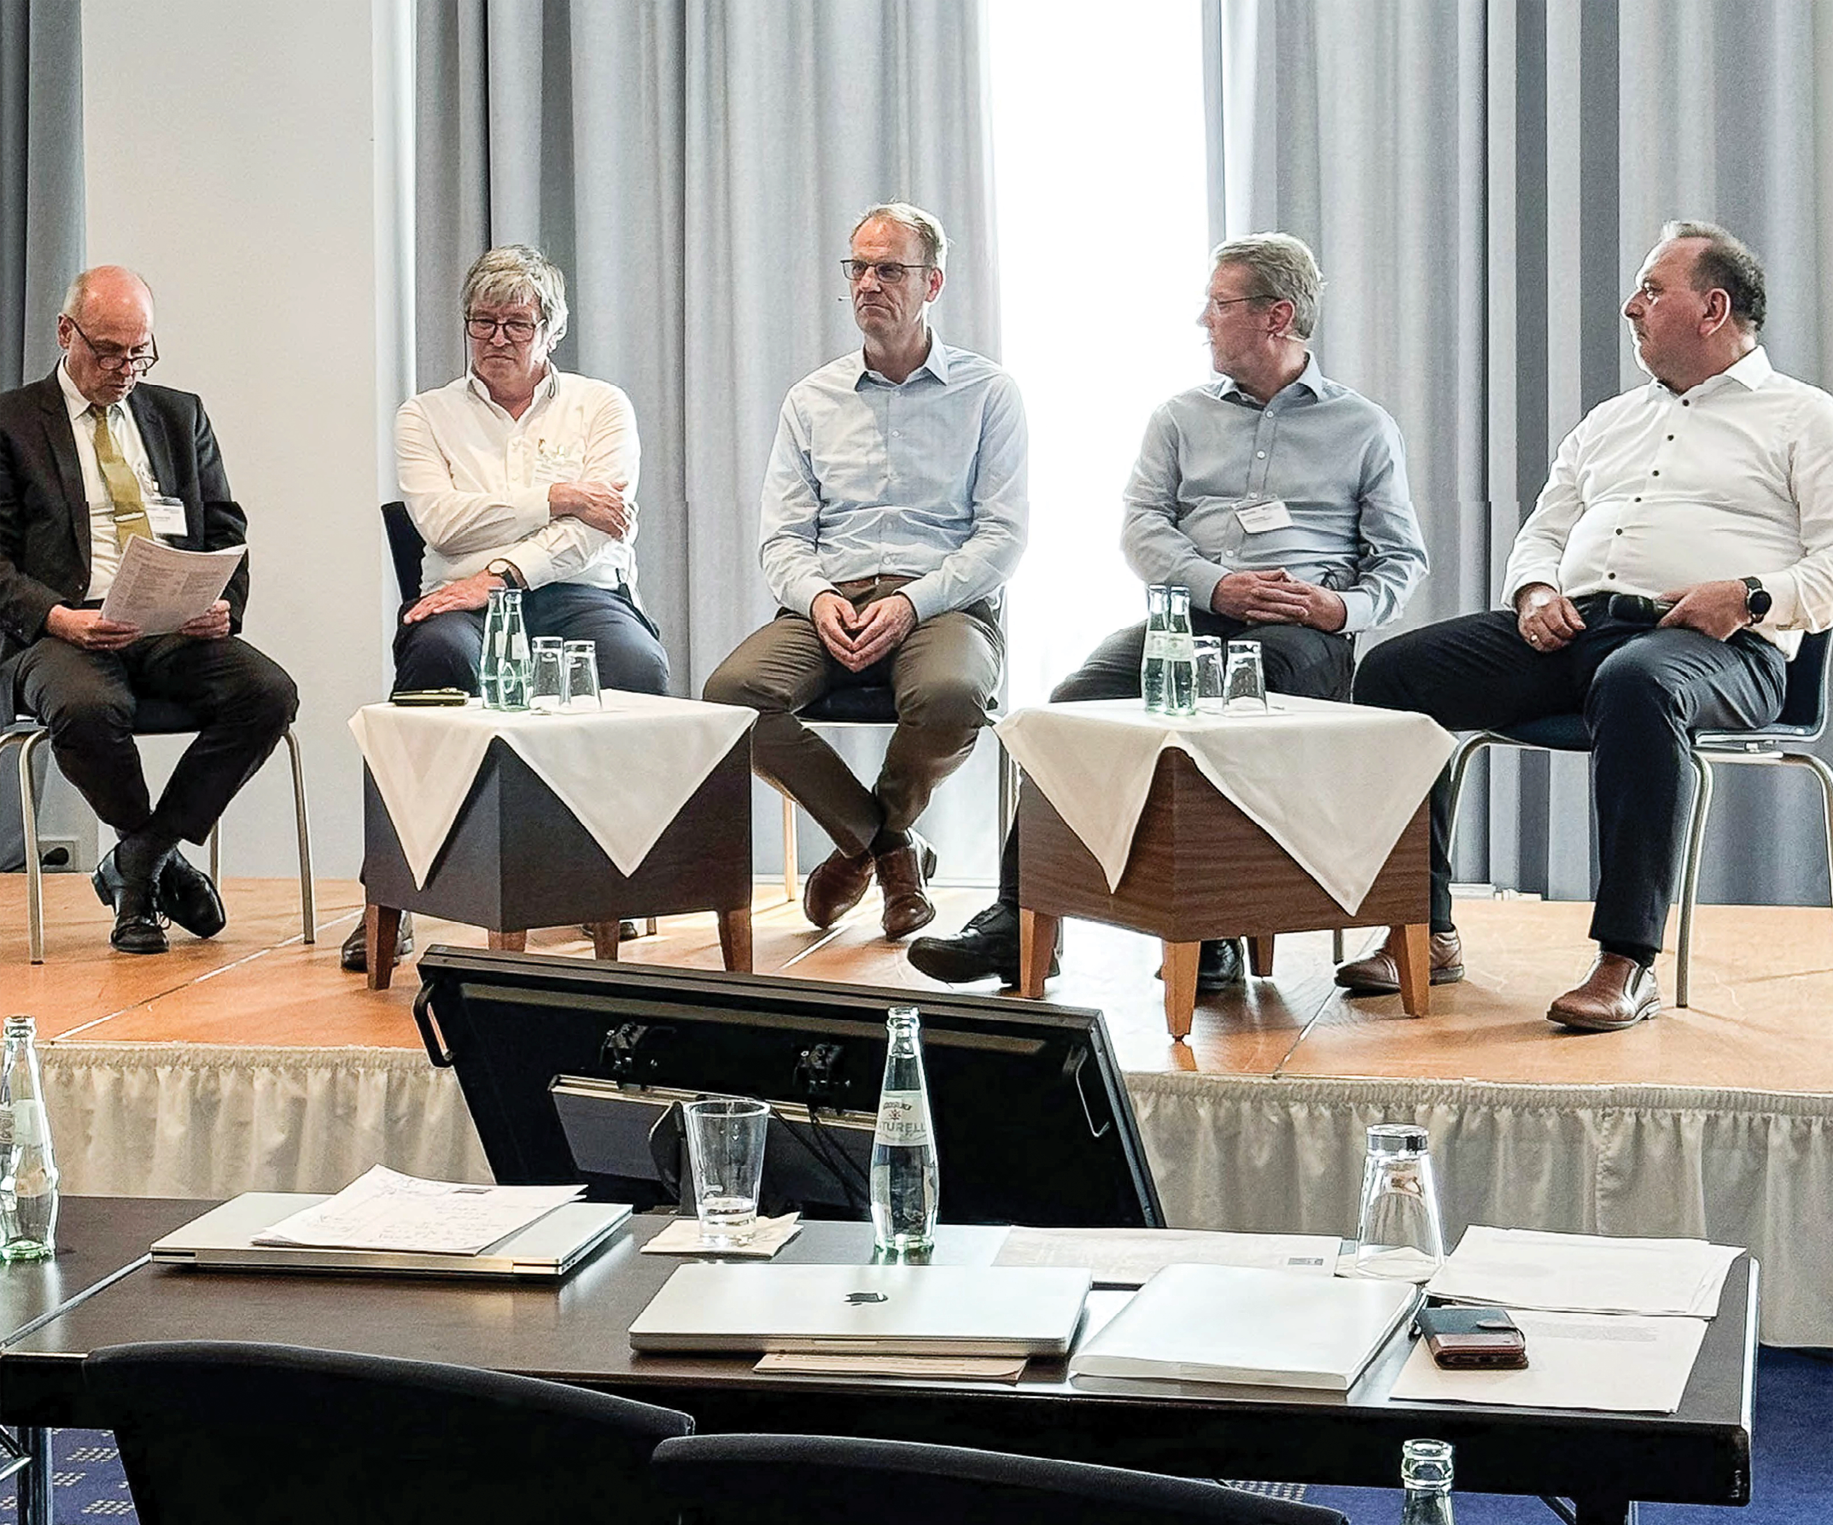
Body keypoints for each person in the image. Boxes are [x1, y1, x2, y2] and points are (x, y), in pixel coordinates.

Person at [1346, 221, 1833, 1032]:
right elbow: (1541, 531)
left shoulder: (1803, 419)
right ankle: (1421, 929)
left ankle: (1624, 961)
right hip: (1575, 629)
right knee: (1394, 674)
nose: (1629, 307)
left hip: (1720, 647)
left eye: (1651, 290)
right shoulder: (1609, 421)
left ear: (1712, 308)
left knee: (1638, 680)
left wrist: (1747, 595)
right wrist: (1533, 590)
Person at [908, 232, 1426, 988]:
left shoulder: (1362, 426)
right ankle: (1018, 917)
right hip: (1191, 618)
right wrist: (1216, 586)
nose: (1203, 321)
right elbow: (1141, 528)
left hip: (1297, 634)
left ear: (1276, 316)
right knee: (1071, 708)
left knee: (1231, 706)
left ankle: (1209, 925)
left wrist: (1334, 606)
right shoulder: (1180, 417)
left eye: (1219, 305)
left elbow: (1400, 561)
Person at [704, 202, 1027, 941]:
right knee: (730, 699)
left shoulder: (987, 393)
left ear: (932, 283)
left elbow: (1002, 536)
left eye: (889, 269)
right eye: (858, 267)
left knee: (951, 694)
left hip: (942, 604)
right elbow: (781, 537)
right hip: (828, 603)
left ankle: (858, 852)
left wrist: (911, 604)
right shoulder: (810, 398)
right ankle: (887, 847)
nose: (868, 283)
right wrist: (815, 597)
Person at [342, 244, 669, 972]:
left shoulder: (600, 406)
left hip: (577, 593)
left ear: (551, 329)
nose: (496, 340)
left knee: (634, 666)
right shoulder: (425, 415)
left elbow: (596, 531)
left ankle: (613, 883)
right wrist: (555, 496)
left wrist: (500, 572)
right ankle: (388, 896)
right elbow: (440, 523)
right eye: (481, 323)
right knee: (433, 663)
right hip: (458, 605)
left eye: (515, 324)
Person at [0, 266, 298, 954]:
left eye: (140, 352)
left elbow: (227, 529)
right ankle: (148, 873)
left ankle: (140, 861)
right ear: (64, 334)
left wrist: (220, 603)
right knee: (86, 710)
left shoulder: (178, 413)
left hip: (170, 623)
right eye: (108, 351)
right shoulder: (12, 423)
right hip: (61, 629)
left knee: (268, 693)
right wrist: (59, 618)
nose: (125, 368)